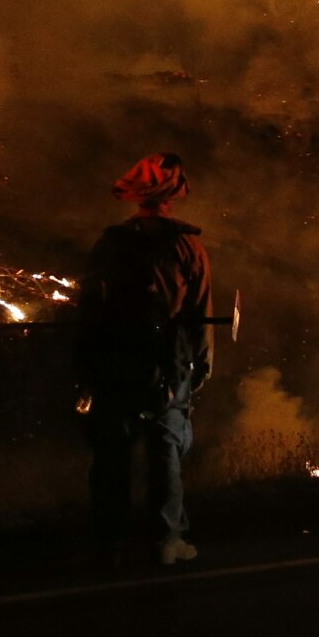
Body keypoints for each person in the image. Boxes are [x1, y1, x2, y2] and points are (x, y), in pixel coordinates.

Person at [75, 151, 214, 567]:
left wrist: (85, 365)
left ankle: (110, 543)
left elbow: (88, 308)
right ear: (170, 200)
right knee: (165, 449)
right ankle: (166, 541)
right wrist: (201, 363)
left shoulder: (109, 244)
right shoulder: (187, 246)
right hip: (167, 364)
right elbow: (200, 312)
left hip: (113, 361)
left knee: (112, 453)